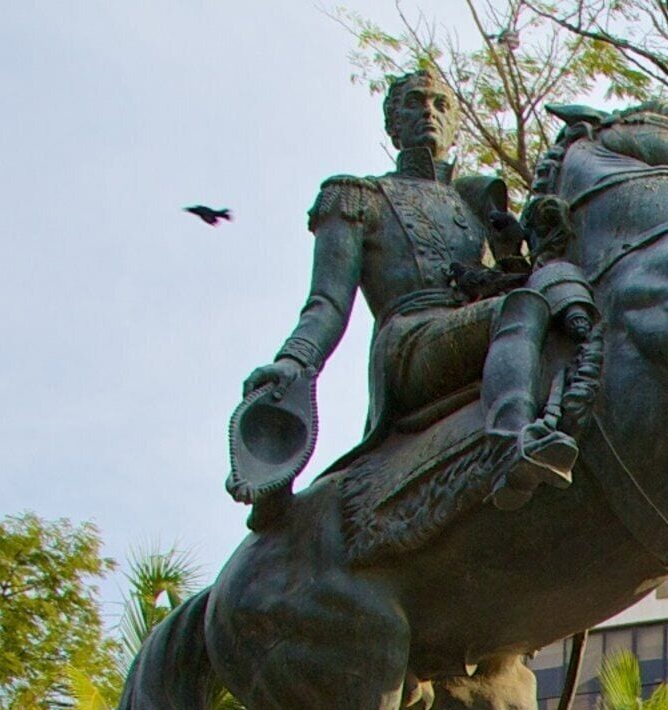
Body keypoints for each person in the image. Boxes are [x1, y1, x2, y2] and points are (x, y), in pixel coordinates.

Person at [228, 65, 585, 512]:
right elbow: (326, 303)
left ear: (456, 125)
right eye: (414, 103)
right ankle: (512, 444)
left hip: (486, 328)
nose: (428, 113)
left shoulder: (478, 203)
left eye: (440, 105)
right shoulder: (356, 196)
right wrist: (294, 360)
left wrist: (514, 249)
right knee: (522, 307)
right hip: (410, 343)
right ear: (392, 124)